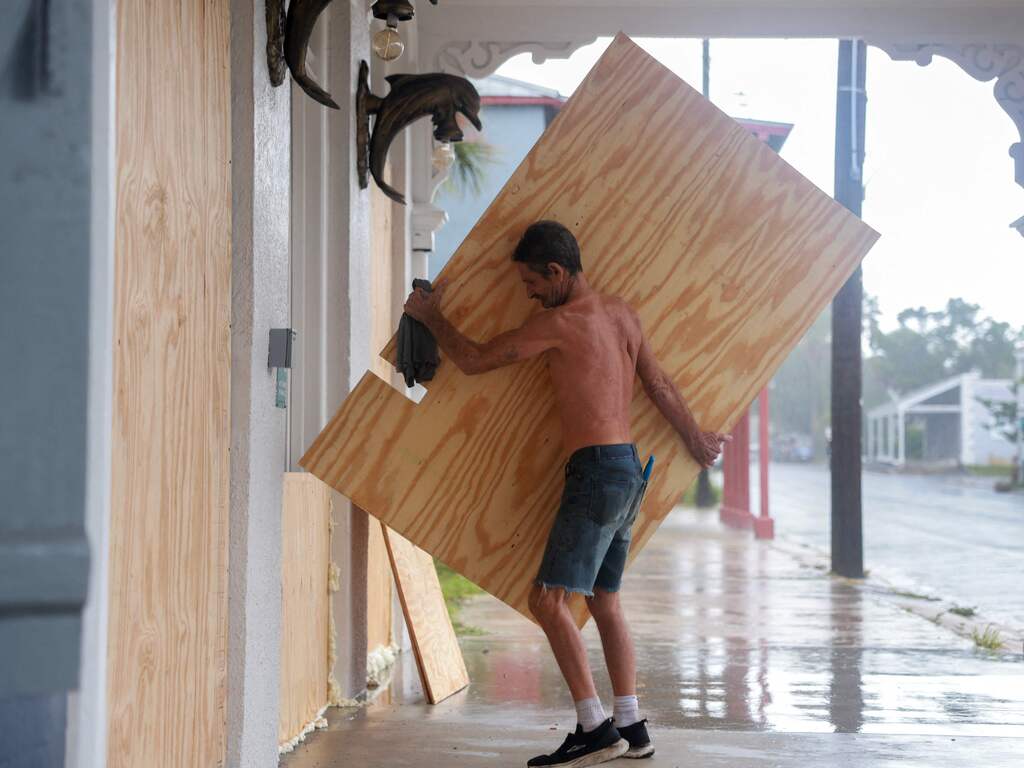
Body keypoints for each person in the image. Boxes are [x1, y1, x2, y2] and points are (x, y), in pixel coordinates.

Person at [403, 220, 729, 767]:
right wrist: (694, 438)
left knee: (547, 600)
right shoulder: (623, 313)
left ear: (556, 272)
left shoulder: (557, 323)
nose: (527, 293)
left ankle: (594, 727)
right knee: (603, 600)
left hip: (597, 471)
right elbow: (659, 384)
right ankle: (631, 724)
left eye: (531, 282)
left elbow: (477, 359)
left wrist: (431, 317)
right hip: (629, 469)